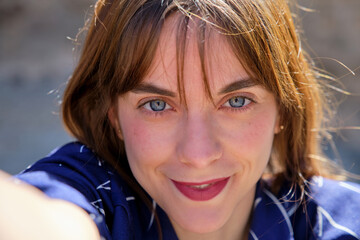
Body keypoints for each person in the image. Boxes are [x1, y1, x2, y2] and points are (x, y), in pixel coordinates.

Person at [0, 0, 359, 239]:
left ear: (282, 107)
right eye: (157, 105)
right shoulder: (93, 193)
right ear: (112, 113)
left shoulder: (338, 223)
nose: (198, 154)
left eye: (236, 101)